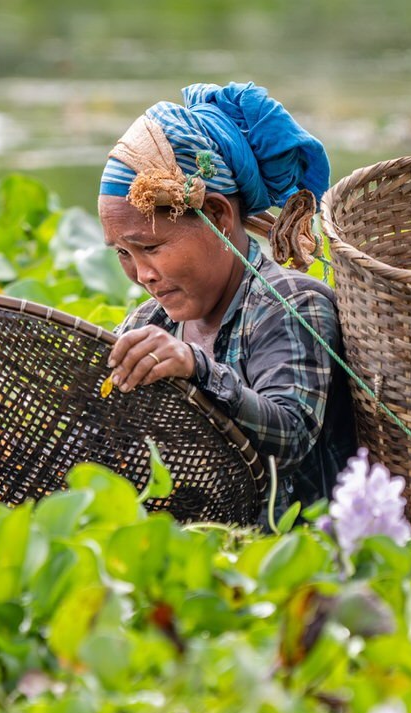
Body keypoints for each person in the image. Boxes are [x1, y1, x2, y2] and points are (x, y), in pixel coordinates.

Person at [100, 82, 356, 518]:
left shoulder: (292, 304)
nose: (142, 275)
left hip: (295, 545)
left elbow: (291, 434)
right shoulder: (148, 324)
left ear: (218, 217)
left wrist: (197, 368)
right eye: (124, 254)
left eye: (151, 248)